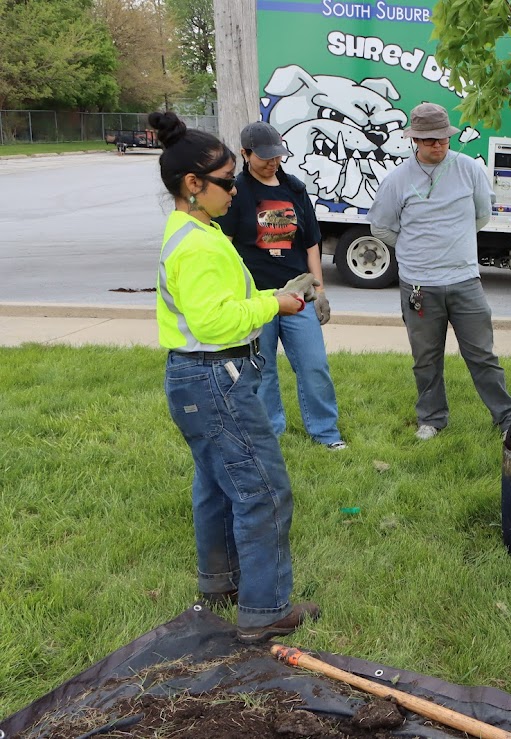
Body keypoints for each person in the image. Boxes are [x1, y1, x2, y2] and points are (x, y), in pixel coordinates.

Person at [150, 111, 320, 644]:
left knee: (215, 483)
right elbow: (213, 322)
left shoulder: (193, 229)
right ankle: (264, 611)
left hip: (196, 377)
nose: (235, 190)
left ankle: (220, 581)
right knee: (264, 490)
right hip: (215, 377)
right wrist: (275, 304)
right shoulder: (199, 243)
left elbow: (216, 306)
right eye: (226, 182)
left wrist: (269, 298)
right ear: (192, 184)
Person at [367, 102, 511, 440]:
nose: (438, 145)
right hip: (418, 285)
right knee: (425, 358)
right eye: (429, 140)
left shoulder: (469, 169)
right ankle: (432, 419)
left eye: (443, 138)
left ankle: (507, 418)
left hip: (465, 280)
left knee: (482, 354)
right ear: (415, 141)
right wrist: (414, 247)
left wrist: (455, 242)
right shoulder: (396, 180)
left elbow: (482, 215)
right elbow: (381, 228)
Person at [214, 121, 346, 450]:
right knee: (264, 369)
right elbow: (225, 246)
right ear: (245, 154)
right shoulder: (237, 193)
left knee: (314, 365)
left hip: (298, 295)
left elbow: (311, 243)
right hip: (257, 298)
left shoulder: (295, 189)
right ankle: (269, 433)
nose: (273, 162)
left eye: (277, 156)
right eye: (264, 157)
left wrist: (320, 290)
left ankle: (326, 433)